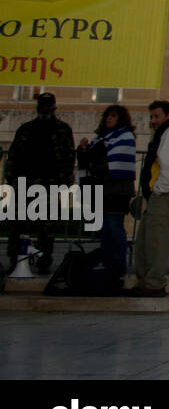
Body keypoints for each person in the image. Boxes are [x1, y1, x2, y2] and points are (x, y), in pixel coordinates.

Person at [5, 92, 75, 274]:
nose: (46, 110)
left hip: (51, 183)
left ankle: (44, 259)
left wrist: (65, 182)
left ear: (53, 107)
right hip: (25, 182)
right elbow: (13, 155)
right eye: (43, 106)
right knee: (19, 223)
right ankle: (17, 259)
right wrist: (11, 179)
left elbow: (69, 157)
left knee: (48, 226)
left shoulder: (62, 129)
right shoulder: (26, 129)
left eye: (48, 106)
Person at [131, 100, 169, 297]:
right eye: (152, 116)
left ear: (168, 115)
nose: (153, 120)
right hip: (160, 193)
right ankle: (146, 280)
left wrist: (159, 189)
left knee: (155, 239)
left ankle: (153, 283)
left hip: (164, 193)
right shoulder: (165, 132)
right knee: (146, 239)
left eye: (157, 116)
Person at [77, 104, 137, 287]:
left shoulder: (124, 137)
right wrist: (83, 150)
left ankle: (119, 268)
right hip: (103, 189)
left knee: (114, 227)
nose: (109, 119)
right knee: (105, 230)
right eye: (107, 116)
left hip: (117, 191)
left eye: (113, 116)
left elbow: (111, 164)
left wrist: (94, 163)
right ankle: (107, 265)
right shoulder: (101, 138)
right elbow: (88, 162)